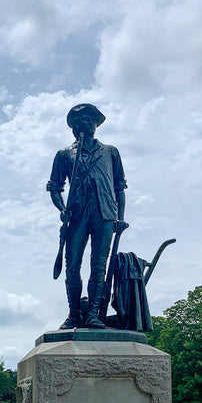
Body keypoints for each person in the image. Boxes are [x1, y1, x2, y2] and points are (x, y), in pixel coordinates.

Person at [47, 103, 127, 328]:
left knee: (99, 266)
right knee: (72, 264)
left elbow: (119, 187)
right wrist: (62, 209)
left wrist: (120, 217)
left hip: (104, 213)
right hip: (77, 214)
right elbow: (54, 187)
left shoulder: (111, 152)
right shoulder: (64, 155)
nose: (88, 125)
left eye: (92, 121)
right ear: (75, 128)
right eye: (83, 122)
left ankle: (93, 313)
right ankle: (73, 313)